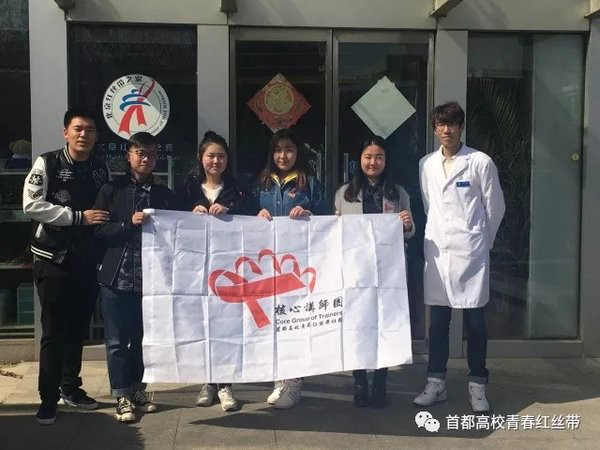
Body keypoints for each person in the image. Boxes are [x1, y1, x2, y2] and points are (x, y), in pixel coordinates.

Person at [414, 101, 505, 413]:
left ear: (461, 127)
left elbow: (495, 207)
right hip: (439, 254)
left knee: (475, 323)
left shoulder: (480, 162)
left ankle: (478, 384)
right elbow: (429, 205)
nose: (446, 130)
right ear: (434, 128)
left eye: (452, 124)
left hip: (471, 254)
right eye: (440, 124)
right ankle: (435, 382)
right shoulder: (427, 164)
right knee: (438, 323)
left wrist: (481, 241)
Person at [22, 107, 110, 425]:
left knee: (77, 329)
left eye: (90, 129)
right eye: (78, 128)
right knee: (53, 331)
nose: (84, 134)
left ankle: (71, 388)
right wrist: (76, 217)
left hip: (85, 261)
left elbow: (104, 210)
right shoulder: (47, 163)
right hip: (52, 259)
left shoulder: (100, 168)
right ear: (66, 132)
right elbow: (32, 205)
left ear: (96, 136)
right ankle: (48, 399)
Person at [94, 132, 180, 422]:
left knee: (143, 339)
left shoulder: (165, 194)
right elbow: (99, 232)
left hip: (151, 279)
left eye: (152, 154)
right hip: (116, 277)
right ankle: (121, 395)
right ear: (128, 155)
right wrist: (127, 224)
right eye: (140, 153)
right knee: (117, 341)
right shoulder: (111, 189)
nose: (146, 159)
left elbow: (179, 231)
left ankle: (138, 390)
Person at [334, 135, 415, 408]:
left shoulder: (397, 192)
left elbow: (410, 231)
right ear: (359, 160)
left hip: (388, 271)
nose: (373, 162)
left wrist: (407, 224)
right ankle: (359, 381)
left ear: (386, 160)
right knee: (357, 325)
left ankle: (381, 381)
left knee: (385, 325)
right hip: (356, 270)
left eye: (379, 157)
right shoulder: (345, 193)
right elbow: (334, 232)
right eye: (368, 157)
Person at [252, 128, 329, 409]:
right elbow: (244, 217)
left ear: (298, 153)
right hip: (266, 265)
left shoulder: (309, 183)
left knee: (295, 321)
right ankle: (279, 379)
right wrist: (256, 214)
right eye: (277, 150)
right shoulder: (262, 184)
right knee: (273, 321)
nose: (283, 156)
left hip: (298, 267)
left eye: (289, 150)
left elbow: (328, 218)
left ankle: (294, 382)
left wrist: (309, 214)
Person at [184, 131, 244, 412]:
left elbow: (253, 218)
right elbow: (170, 218)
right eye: (211, 155)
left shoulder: (239, 191)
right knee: (202, 324)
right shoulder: (187, 189)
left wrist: (230, 210)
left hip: (228, 269)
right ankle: (207, 382)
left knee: (226, 325)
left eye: (221, 156)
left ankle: (225, 384)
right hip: (196, 268)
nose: (216, 161)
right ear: (201, 158)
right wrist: (189, 213)